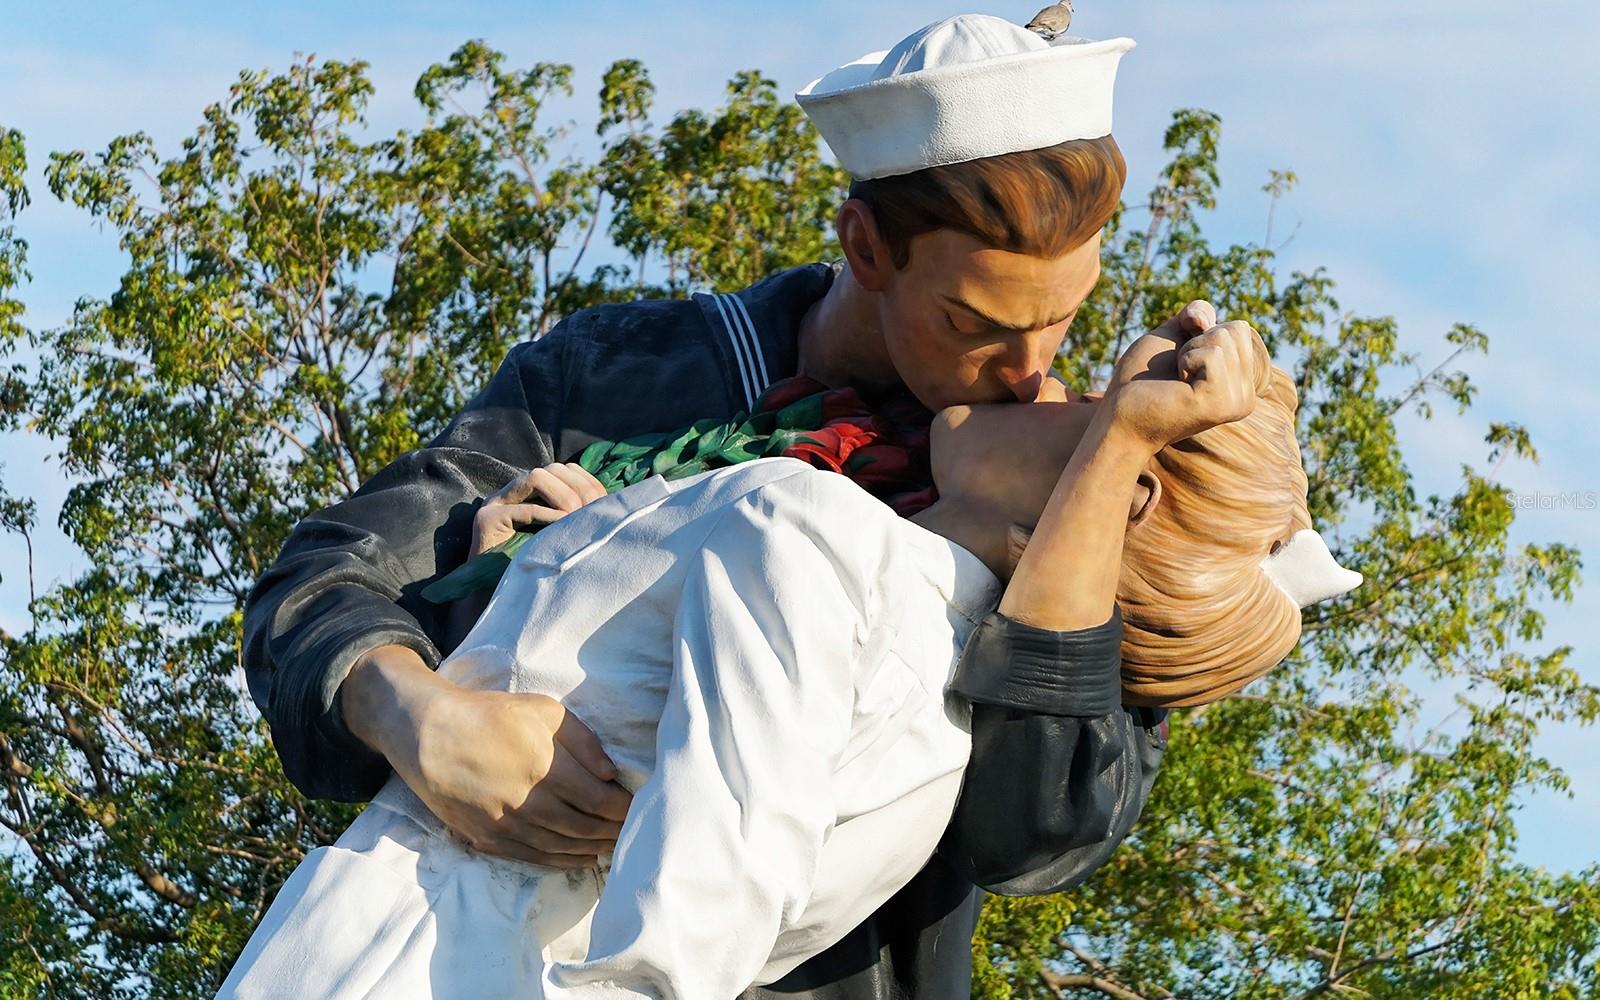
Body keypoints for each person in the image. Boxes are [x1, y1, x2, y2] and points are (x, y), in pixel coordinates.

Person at [241, 14, 1173, 999]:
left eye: (1063, 316)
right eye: (972, 322)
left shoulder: (1049, 473)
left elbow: (1038, 829)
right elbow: (325, 582)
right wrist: (421, 712)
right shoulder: (609, 378)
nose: (1029, 371)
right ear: (865, 246)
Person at [217, 314, 1360, 999]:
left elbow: (690, 928)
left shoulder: (808, 527)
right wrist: (548, 583)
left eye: (1091, 401)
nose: (1038, 379)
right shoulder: (936, 732)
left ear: (1114, 497)